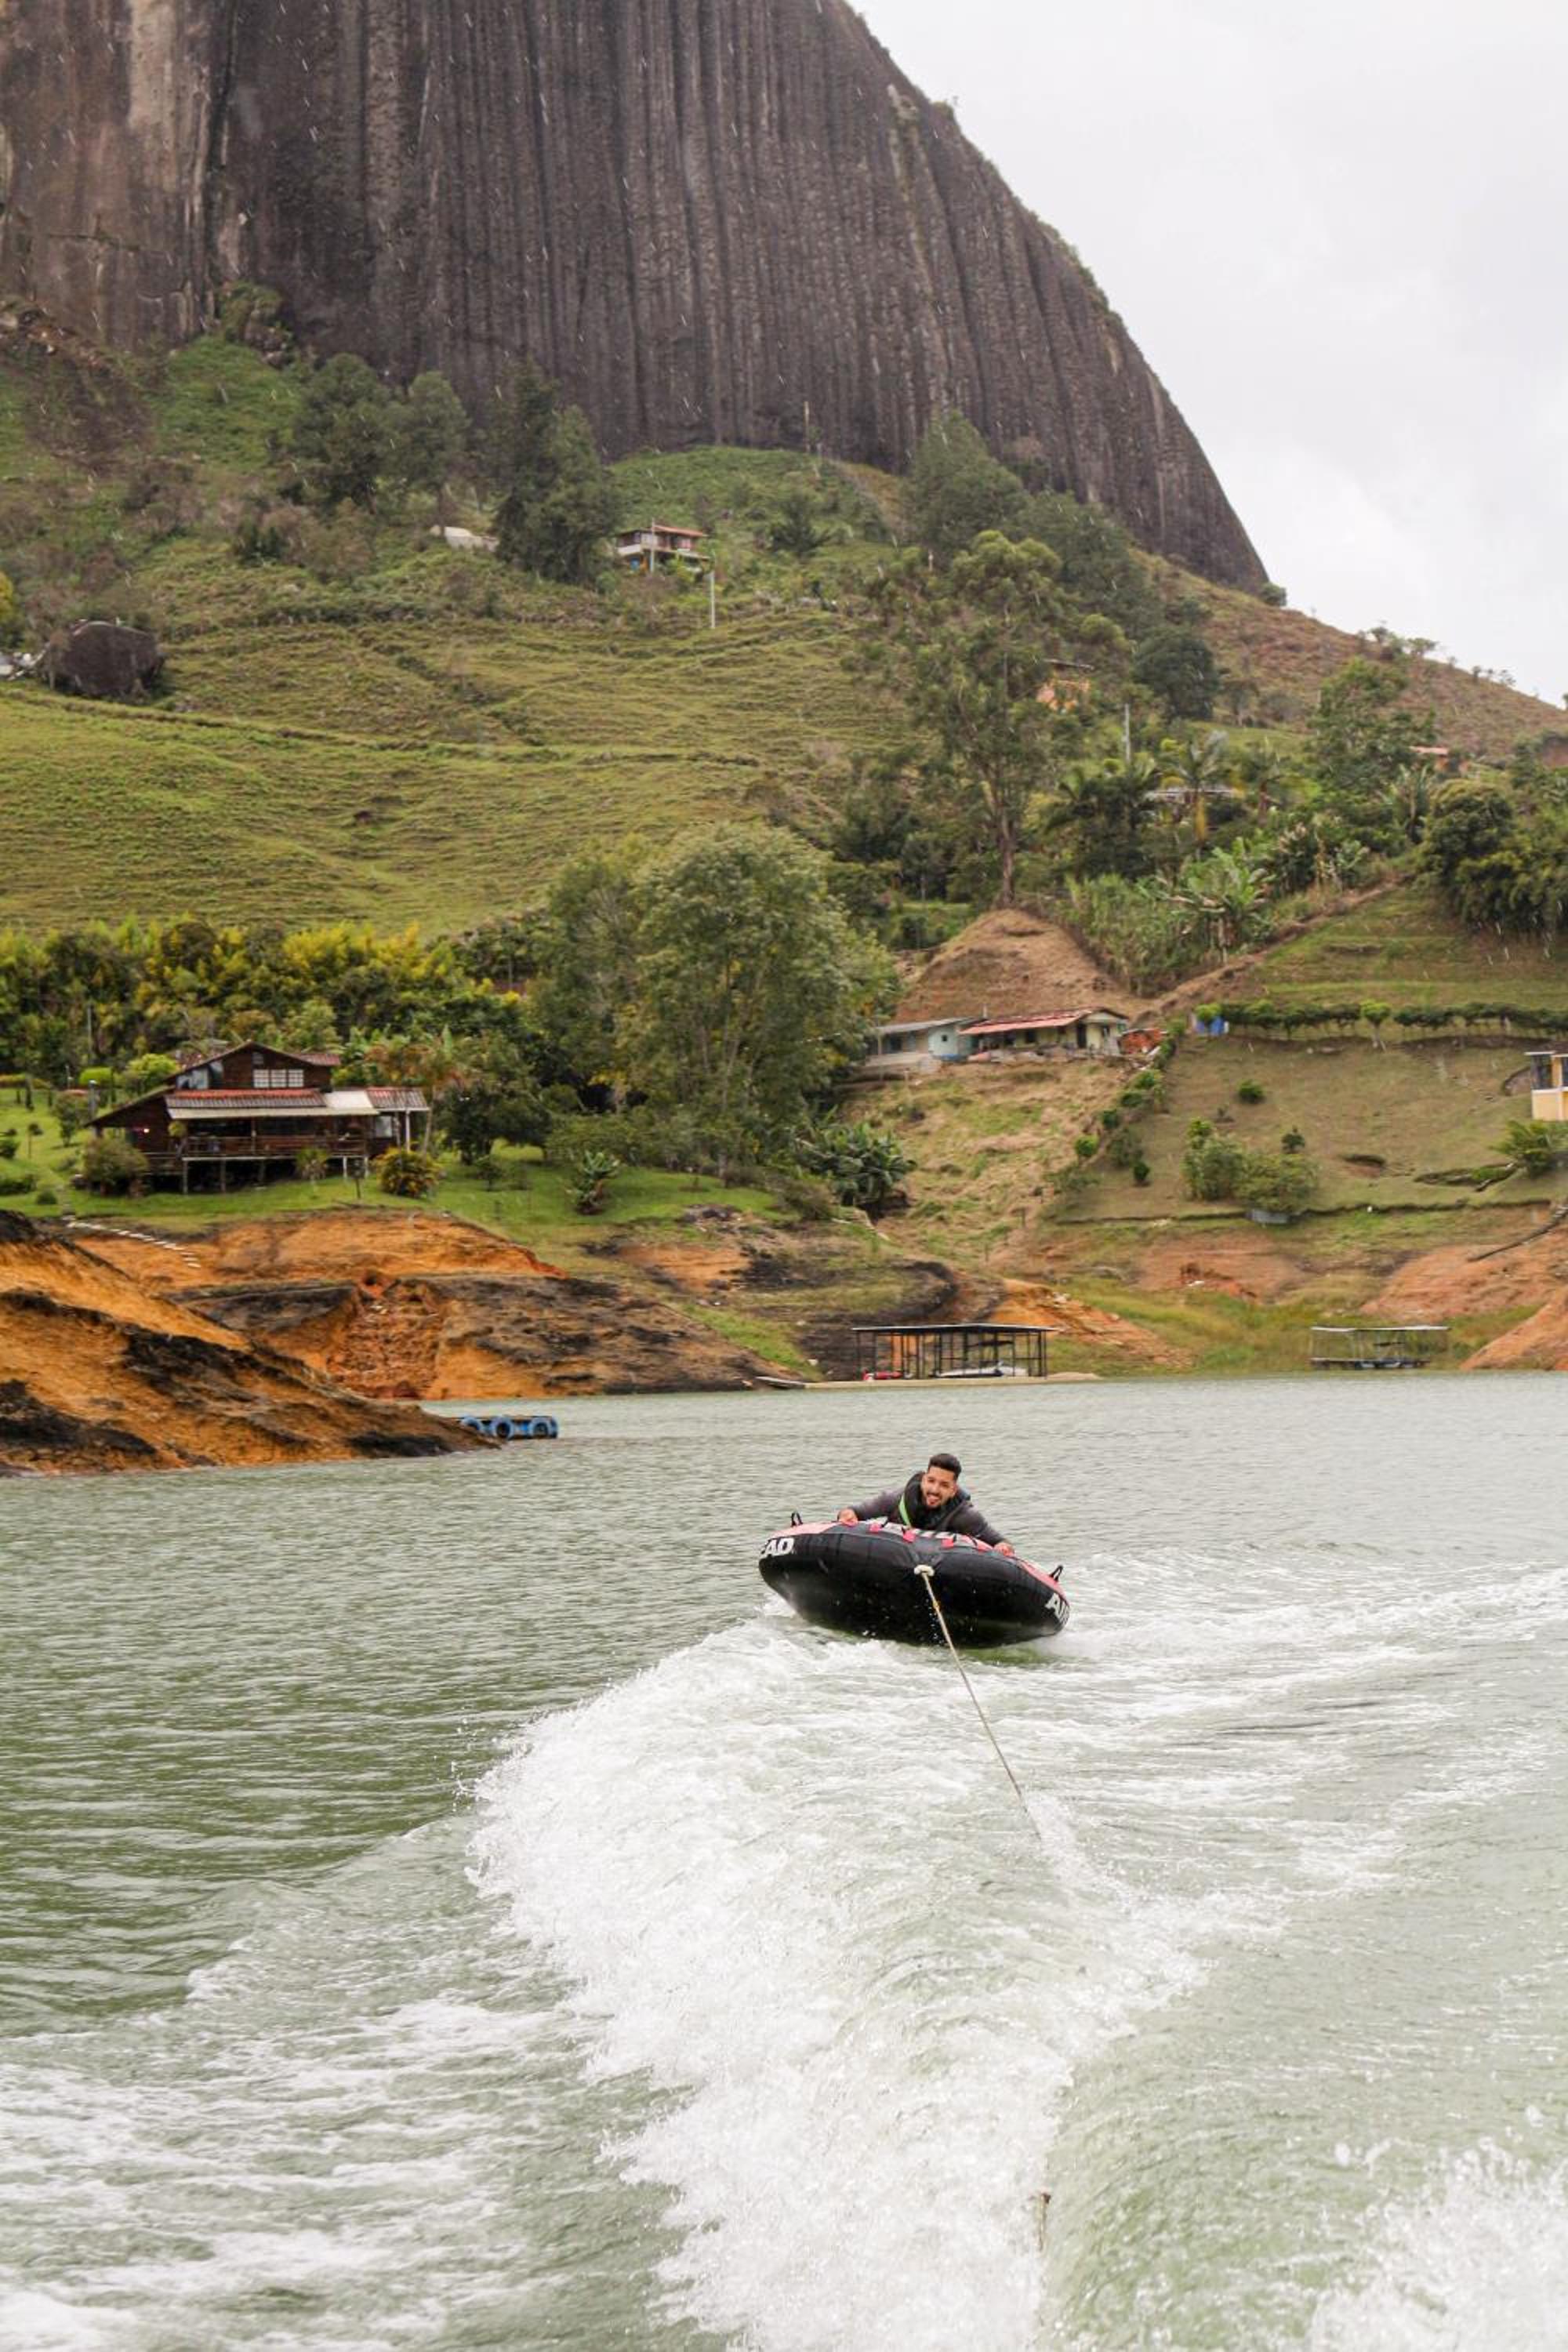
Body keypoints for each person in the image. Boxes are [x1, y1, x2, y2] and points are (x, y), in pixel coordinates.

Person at [836, 1452, 1014, 1552]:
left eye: (944, 1485)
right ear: (923, 1479)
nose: (935, 1490)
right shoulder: (898, 1499)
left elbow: (999, 1542)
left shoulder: (965, 1516)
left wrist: (1003, 1548)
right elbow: (857, 1511)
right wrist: (848, 1514)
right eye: (931, 1481)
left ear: (953, 1491)